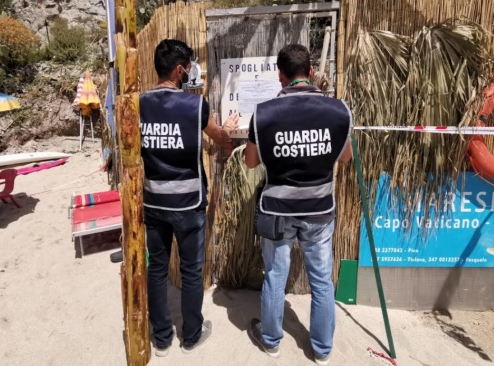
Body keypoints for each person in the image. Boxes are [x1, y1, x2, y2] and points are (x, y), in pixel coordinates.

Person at [243, 44, 352, 366]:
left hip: (277, 211)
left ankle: (272, 342)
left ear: (280, 75)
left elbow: (250, 162)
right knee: (321, 279)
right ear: (311, 72)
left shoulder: (263, 113)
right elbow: (345, 157)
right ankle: (321, 350)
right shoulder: (338, 110)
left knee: (276, 276)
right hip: (319, 209)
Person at [140, 39, 239, 357]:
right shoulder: (195, 107)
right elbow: (220, 137)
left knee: (156, 268)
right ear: (180, 70)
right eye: (189, 69)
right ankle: (192, 335)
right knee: (192, 271)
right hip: (189, 204)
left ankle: (162, 338)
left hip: (154, 202)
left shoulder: (139, 104)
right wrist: (229, 129)